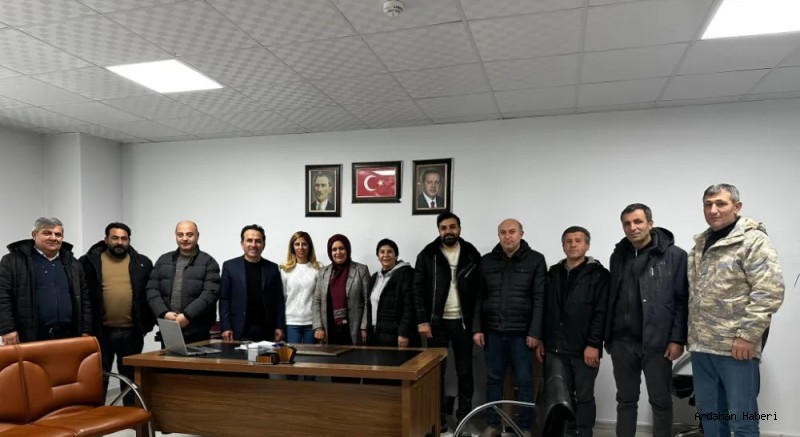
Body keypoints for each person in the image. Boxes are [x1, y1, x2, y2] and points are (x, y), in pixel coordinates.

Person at [687, 184, 784, 437]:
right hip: (701, 346)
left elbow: (769, 291)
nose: (713, 210)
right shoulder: (700, 244)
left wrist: (747, 336)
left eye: (721, 203)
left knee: (742, 420)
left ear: (737, 207)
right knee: (710, 416)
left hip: (735, 347)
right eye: (708, 204)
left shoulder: (753, 241)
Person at [605, 204, 688, 437]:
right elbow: (613, 296)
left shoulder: (675, 256)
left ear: (650, 224)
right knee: (625, 400)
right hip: (622, 343)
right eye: (627, 223)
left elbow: (682, 300)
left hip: (658, 344)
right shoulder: (618, 256)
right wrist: (609, 338)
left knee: (660, 401)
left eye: (638, 221)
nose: (632, 227)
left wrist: (677, 339)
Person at [474, 218, 546, 437]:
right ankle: (493, 425)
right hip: (493, 333)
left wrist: (535, 332)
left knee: (524, 382)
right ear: (498, 236)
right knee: (493, 380)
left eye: (512, 231)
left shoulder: (535, 260)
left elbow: (539, 298)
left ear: (521, 233)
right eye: (503, 232)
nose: (507, 236)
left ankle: (524, 427)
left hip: (522, 335)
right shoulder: (486, 261)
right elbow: (478, 297)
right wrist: (477, 329)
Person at [413, 212, 481, 432]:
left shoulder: (471, 253)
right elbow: (418, 290)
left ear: (459, 229)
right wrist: (422, 320)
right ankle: (437, 419)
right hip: (436, 324)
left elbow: (479, 291)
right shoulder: (428, 254)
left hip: (463, 323)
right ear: (439, 230)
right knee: (435, 374)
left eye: (452, 227)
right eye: (443, 228)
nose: (448, 231)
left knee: (465, 372)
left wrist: (477, 325)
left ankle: (464, 419)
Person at [538, 226, 609, 437]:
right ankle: (567, 432)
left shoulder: (599, 274)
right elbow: (544, 308)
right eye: (568, 241)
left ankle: (584, 432)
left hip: (584, 348)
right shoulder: (553, 273)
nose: (573, 244)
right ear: (563, 246)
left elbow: (601, 312)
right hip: (555, 348)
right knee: (561, 398)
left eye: (578, 240)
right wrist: (541, 339)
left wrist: (594, 344)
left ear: (587, 245)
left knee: (585, 396)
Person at [80, 222, 154, 406]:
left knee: (130, 378)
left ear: (129, 240)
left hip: (132, 333)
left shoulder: (143, 263)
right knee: (98, 377)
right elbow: (82, 296)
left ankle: (129, 414)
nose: (119, 242)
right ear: (106, 239)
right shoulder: (88, 262)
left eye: (124, 238)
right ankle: (98, 416)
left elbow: (149, 295)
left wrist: (146, 326)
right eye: (115, 238)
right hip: (100, 333)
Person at [0, 217, 91, 344]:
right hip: (29, 336)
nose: (53, 238)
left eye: (58, 234)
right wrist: (7, 329)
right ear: (34, 235)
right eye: (47, 233)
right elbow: (2, 296)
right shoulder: (13, 261)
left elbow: (85, 299)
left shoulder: (74, 264)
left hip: (68, 335)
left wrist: (86, 330)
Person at [147, 220, 220, 345]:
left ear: (197, 236)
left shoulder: (209, 262)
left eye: (189, 234)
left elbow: (210, 294)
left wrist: (187, 316)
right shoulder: (163, 260)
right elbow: (152, 290)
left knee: (198, 359)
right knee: (169, 358)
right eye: (180, 235)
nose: (184, 238)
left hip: (198, 330)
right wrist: (164, 313)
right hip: (169, 328)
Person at [219, 224, 285, 342]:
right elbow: (224, 299)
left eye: (258, 241)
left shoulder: (272, 268)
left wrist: (279, 326)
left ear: (263, 245)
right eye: (249, 240)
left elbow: (279, 300)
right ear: (242, 244)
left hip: (266, 330)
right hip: (238, 329)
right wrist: (226, 326)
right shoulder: (229, 266)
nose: (253, 245)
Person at [312, 234, 369, 346]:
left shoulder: (361, 270)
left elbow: (368, 300)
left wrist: (364, 327)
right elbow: (316, 301)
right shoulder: (323, 272)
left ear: (347, 249)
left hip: (353, 328)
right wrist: (318, 327)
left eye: (341, 248)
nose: (338, 252)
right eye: (334, 249)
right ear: (330, 252)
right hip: (329, 329)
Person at [365, 238, 419, 348]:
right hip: (376, 334)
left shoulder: (407, 274)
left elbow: (409, 306)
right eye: (382, 252)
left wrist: (403, 332)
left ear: (396, 255)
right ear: (378, 256)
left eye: (389, 251)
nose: (385, 255)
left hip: (398, 336)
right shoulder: (374, 278)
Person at [280, 231, 322, 346]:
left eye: (304, 244)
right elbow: (282, 298)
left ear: (309, 246)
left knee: (311, 356)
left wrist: (320, 325)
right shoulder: (285, 269)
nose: (300, 247)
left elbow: (320, 298)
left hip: (312, 322)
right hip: (291, 322)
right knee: (292, 355)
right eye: (297, 244)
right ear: (292, 247)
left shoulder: (318, 268)